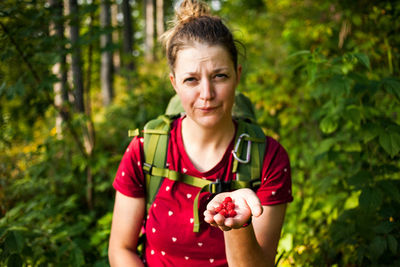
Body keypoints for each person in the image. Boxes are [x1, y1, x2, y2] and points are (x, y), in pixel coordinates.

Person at [108, 0, 293, 266]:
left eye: (219, 76)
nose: (206, 94)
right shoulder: (145, 149)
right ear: (174, 83)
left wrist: (238, 226)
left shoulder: (268, 159)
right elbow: (121, 249)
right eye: (191, 79)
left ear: (237, 76)